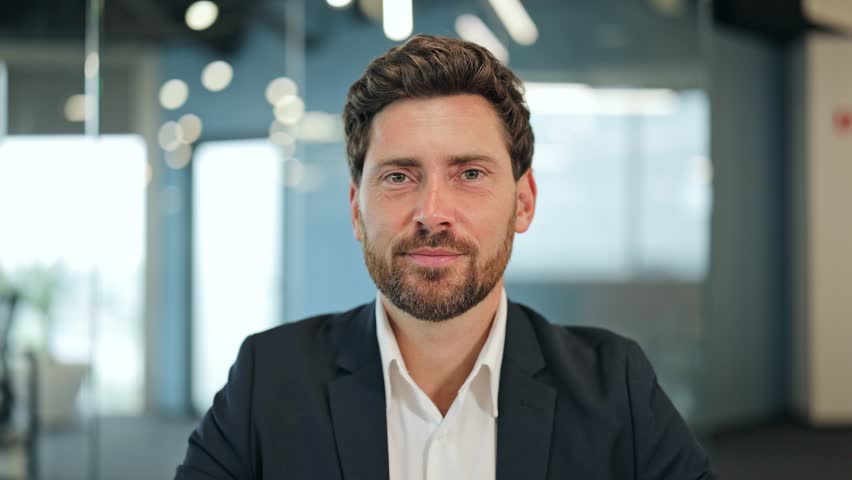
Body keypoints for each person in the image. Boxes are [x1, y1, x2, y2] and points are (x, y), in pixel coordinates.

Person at [175, 34, 714, 480]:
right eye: (399, 176)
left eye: (470, 174)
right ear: (357, 211)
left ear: (523, 202)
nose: (433, 213)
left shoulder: (614, 386)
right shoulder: (267, 380)